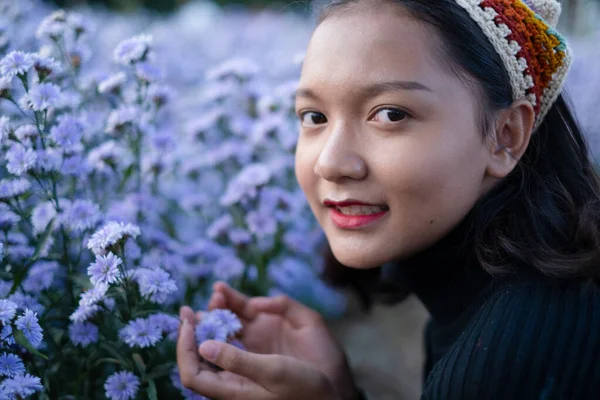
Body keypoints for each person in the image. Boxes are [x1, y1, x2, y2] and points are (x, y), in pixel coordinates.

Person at [176, 0, 600, 398]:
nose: (331, 163)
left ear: (505, 137)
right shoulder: (498, 297)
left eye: (391, 114)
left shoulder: (522, 340)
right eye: (314, 117)